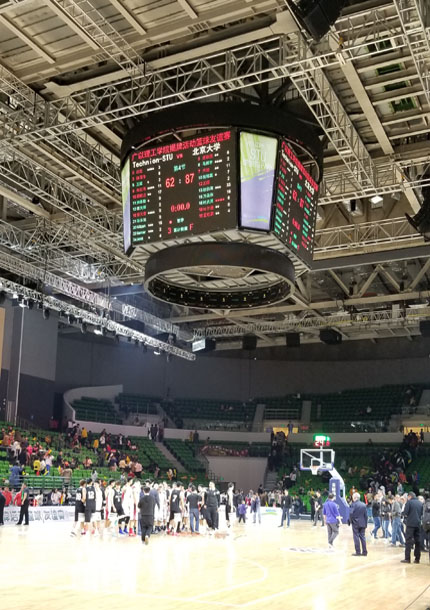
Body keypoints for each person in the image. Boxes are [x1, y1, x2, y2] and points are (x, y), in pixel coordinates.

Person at [401, 491, 423, 564]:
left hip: (410, 524)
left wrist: (403, 513)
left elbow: (405, 513)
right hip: (418, 524)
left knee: (408, 541)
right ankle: (417, 558)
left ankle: (407, 558)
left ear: (410, 496)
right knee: (417, 541)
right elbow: (421, 513)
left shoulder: (409, 502)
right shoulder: (420, 503)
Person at [349, 492, 368, 556]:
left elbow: (351, 513)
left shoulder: (353, 504)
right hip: (363, 523)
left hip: (355, 523)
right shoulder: (363, 505)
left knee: (356, 537)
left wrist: (350, 521)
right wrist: (366, 524)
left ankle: (358, 552)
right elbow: (366, 515)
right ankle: (365, 552)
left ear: (355, 498)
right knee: (363, 537)